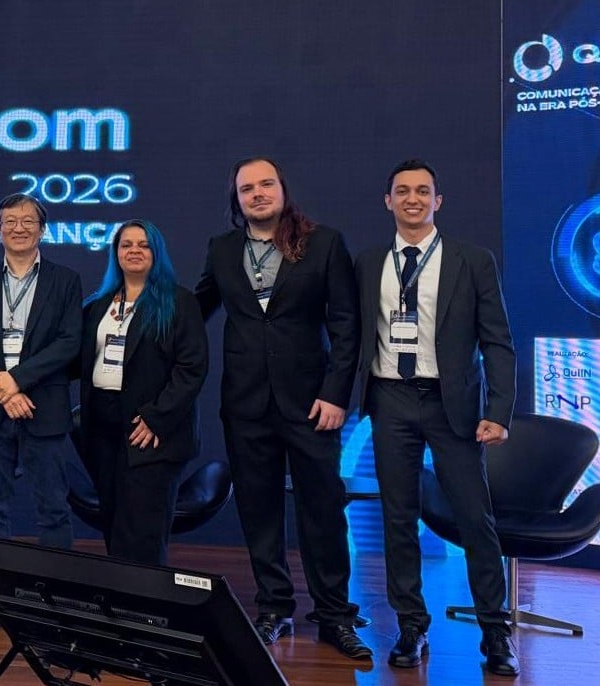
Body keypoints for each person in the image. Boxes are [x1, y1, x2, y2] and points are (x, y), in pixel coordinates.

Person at [194, 156, 371, 660]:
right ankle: (273, 607)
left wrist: (336, 394)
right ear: (237, 200)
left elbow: (346, 326)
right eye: (246, 188)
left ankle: (334, 616)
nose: (257, 193)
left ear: (282, 189)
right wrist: (136, 303)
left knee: (323, 510)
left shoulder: (324, 243)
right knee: (259, 510)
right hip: (245, 404)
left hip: (312, 404)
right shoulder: (222, 249)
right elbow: (194, 310)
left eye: (265, 184)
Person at [356, 159, 518, 676]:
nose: (413, 199)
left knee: (475, 518)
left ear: (438, 201)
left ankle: (496, 632)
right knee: (398, 518)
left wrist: (498, 410)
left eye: (423, 191)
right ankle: (411, 626)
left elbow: (497, 341)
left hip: (454, 404)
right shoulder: (368, 263)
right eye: (402, 191)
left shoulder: (473, 261)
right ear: (388, 201)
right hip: (390, 400)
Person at [0, 193, 82, 632]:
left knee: (53, 509)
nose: (19, 228)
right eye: (9, 221)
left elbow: (69, 342)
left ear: (42, 229)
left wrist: (18, 380)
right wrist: (4, 389)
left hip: (43, 407)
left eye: (28, 221)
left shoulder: (65, 280)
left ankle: (54, 603)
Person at [78, 219, 207, 566]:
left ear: (156, 252)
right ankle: (121, 595)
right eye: (126, 245)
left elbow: (191, 368)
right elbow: (76, 361)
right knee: (113, 523)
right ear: (115, 253)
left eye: (143, 244)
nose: (134, 251)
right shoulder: (97, 305)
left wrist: (156, 418)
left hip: (152, 431)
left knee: (143, 531)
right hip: (103, 430)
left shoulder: (179, 302)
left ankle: (145, 600)